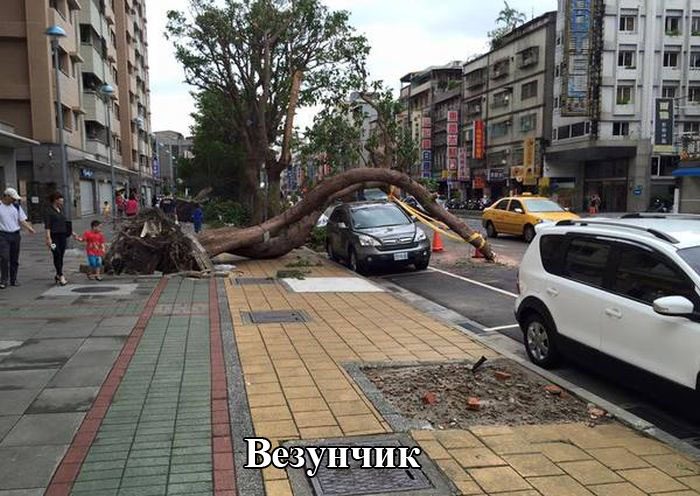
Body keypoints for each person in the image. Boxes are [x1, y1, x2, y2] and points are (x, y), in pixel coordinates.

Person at [0, 188, 36, 289]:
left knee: (14, 258)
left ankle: (13, 279)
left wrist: (29, 228)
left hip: (15, 235)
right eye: (13, 198)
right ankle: (3, 280)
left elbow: (22, 220)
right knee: (4, 257)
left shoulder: (16, 207)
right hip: (3, 235)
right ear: (7, 196)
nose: (14, 200)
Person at [44, 191, 75, 286]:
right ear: (55, 200)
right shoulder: (49, 211)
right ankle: (61, 275)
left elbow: (64, 222)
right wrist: (48, 238)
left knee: (61, 255)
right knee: (56, 252)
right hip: (53, 237)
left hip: (62, 236)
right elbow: (47, 225)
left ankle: (58, 274)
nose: (62, 202)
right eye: (61, 200)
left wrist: (72, 232)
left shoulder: (60, 209)